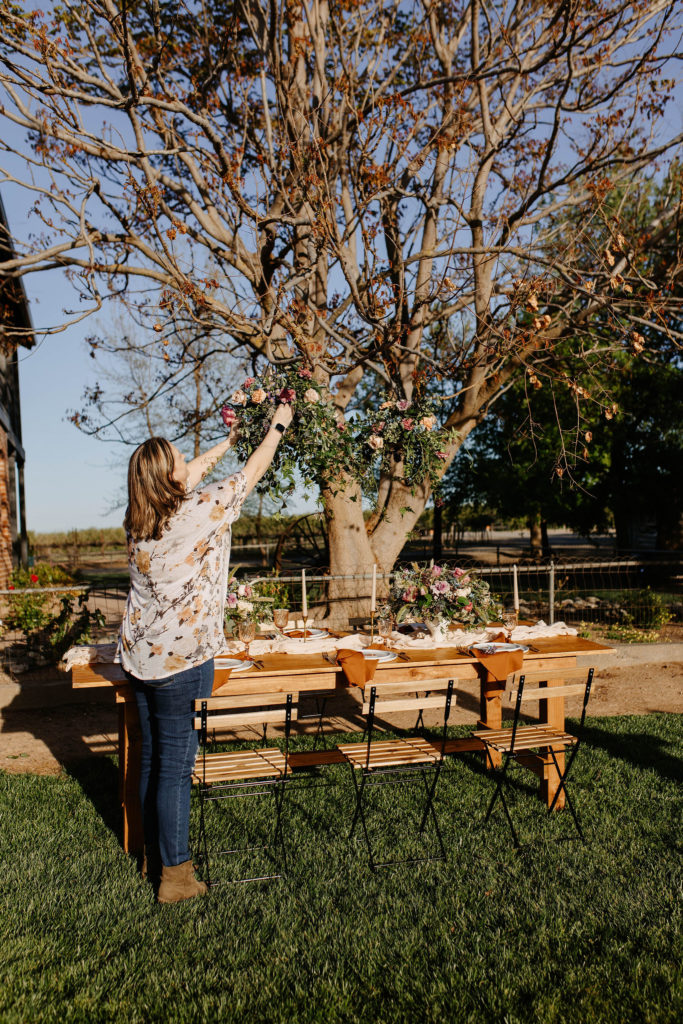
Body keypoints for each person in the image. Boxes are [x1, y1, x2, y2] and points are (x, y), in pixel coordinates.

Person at [118, 399, 293, 904]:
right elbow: (254, 471)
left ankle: (154, 853)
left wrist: (230, 441)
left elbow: (194, 470)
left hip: (142, 658)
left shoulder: (137, 522)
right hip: (178, 662)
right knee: (175, 767)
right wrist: (277, 424)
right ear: (170, 479)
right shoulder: (198, 510)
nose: (187, 463)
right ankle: (175, 878)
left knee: (153, 757)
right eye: (179, 458)